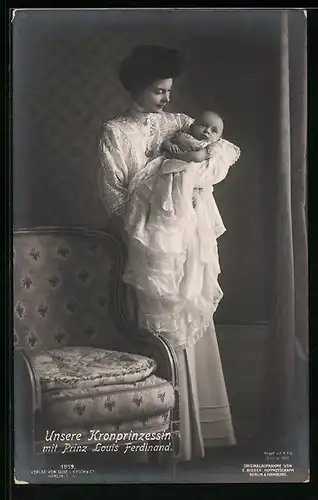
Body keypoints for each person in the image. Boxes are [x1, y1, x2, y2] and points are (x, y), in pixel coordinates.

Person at [97, 45, 237, 462]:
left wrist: (194, 161)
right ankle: (160, 439)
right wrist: (157, 180)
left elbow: (213, 164)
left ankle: (198, 434)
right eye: (159, 91)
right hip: (150, 244)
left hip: (190, 239)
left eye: (169, 90)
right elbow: (115, 201)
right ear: (137, 88)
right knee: (159, 321)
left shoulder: (179, 123)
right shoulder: (115, 132)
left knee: (191, 312)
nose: (168, 99)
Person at [123, 110, 240, 351]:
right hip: (166, 180)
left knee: (191, 263)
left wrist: (180, 155)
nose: (206, 131)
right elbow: (166, 146)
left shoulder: (209, 148)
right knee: (162, 244)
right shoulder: (180, 132)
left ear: (218, 137)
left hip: (188, 191)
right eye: (203, 125)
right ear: (194, 124)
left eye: (213, 130)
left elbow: (198, 157)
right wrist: (169, 148)